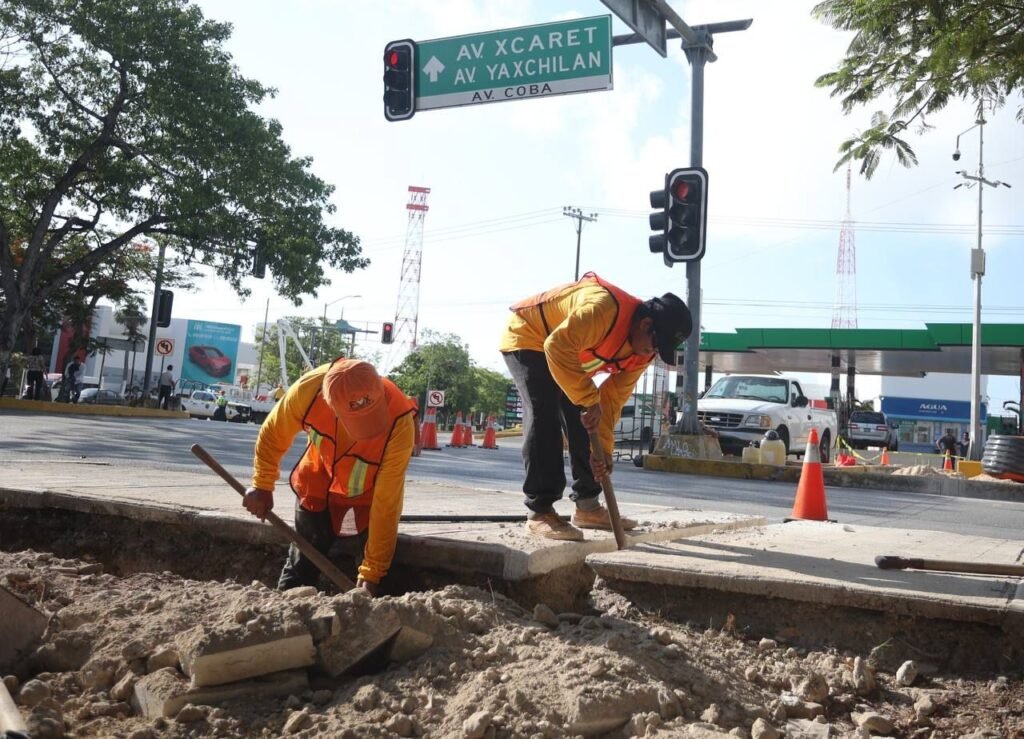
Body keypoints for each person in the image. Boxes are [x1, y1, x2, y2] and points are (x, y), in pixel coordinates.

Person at [500, 272, 692, 541]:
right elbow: (556, 346)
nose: (652, 354)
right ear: (645, 324)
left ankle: (587, 507)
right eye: (655, 345)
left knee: (584, 420)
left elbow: (610, 401)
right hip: (530, 337)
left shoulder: (641, 355)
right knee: (544, 414)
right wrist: (589, 400)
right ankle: (540, 511)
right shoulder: (603, 309)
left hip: (566, 354)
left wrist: (604, 452)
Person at [243, 359, 418, 595]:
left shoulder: (399, 421)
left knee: (377, 573)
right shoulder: (308, 392)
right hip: (316, 482)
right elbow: (273, 433)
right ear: (331, 407)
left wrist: (372, 574)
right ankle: (287, 607)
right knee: (306, 555)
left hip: (366, 497)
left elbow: (386, 503)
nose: (368, 431)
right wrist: (262, 485)